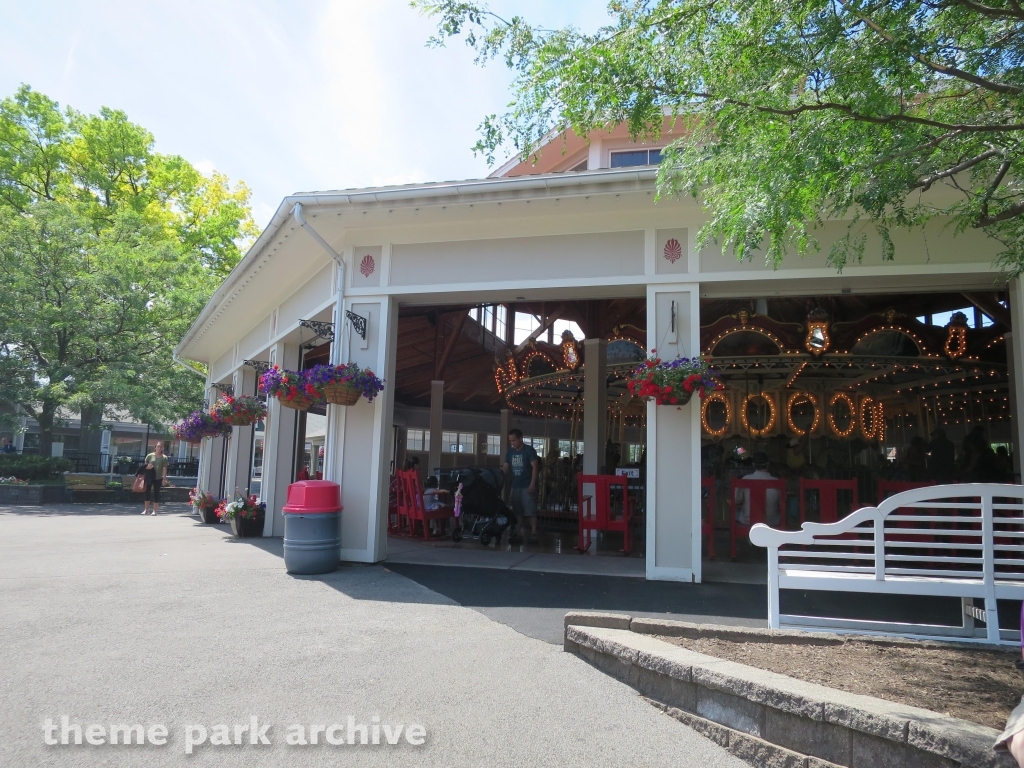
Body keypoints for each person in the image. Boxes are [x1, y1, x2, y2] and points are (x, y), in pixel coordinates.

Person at [502, 429, 540, 542]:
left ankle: (534, 533)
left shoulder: (529, 450)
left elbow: (535, 467)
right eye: (510, 441)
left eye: (514, 440)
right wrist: (498, 474)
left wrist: (532, 483)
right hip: (515, 486)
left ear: (520, 439)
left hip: (527, 485)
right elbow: (506, 467)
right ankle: (518, 533)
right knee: (517, 512)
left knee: (530, 511)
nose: (512, 443)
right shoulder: (510, 452)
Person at [733, 451, 781, 527]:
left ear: (753, 465)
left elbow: (736, 500)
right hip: (771, 522)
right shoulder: (777, 481)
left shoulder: (745, 479)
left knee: (736, 512)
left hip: (748, 521)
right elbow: (782, 502)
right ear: (768, 464)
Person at [138, 443, 169, 515]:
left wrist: (164, 478)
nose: (159, 448)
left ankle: (155, 511)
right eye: (158, 447)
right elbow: (144, 465)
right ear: (155, 447)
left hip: (158, 477)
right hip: (149, 476)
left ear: (163, 448)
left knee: (156, 493)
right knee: (147, 492)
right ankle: (146, 510)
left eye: (161, 447)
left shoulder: (164, 457)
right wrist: (147, 467)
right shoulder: (150, 456)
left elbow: (164, 468)